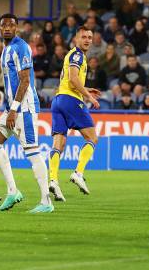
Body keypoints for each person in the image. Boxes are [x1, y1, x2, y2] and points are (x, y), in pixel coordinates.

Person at [0, 14, 53, 213]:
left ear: (17, 28)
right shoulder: (6, 50)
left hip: (24, 109)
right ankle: (13, 191)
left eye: (11, 25)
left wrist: (14, 109)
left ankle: (46, 202)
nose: (7, 28)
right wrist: (9, 108)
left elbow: (25, 81)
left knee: (32, 151)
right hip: (11, 109)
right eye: (3, 25)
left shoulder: (21, 47)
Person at [48, 27, 101, 201]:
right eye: (83, 37)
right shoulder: (77, 55)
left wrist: (86, 89)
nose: (87, 40)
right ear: (76, 39)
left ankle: (53, 180)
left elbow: (69, 81)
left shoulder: (72, 54)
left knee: (59, 144)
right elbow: (72, 78)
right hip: (71, 100)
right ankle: (78, 173)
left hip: (57, 101)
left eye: (90, 37)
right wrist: (88, 97)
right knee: (92, 138)